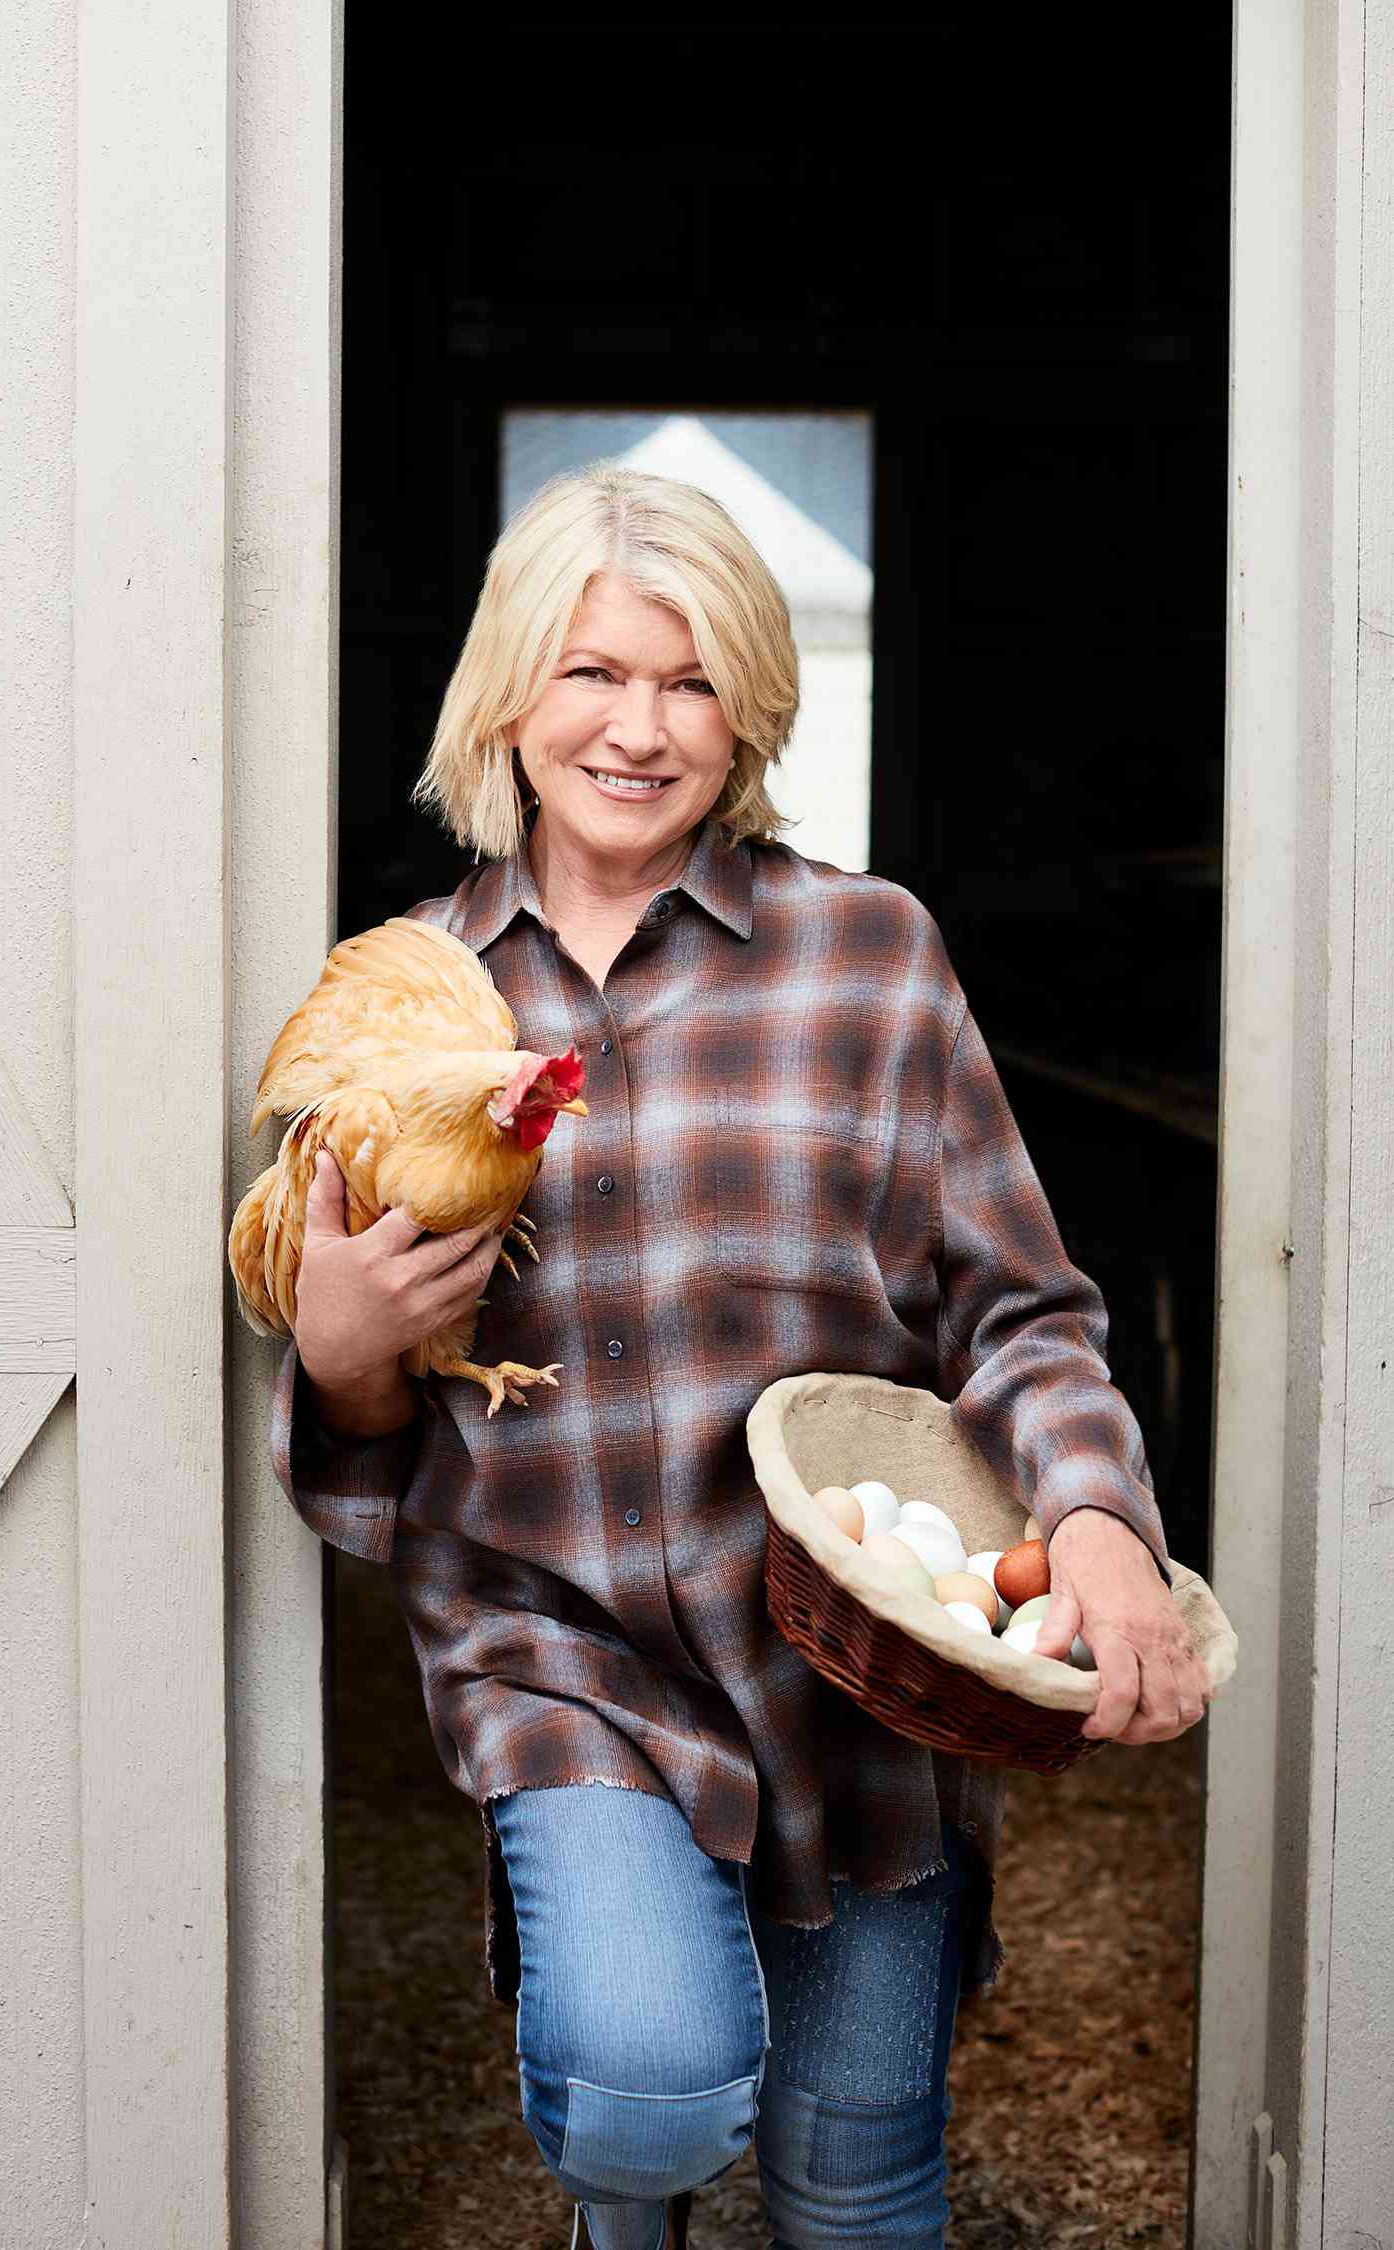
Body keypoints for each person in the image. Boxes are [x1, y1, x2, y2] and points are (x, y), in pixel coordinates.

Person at [270, 464, 1211, 2250]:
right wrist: (342, 1354)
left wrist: (1097, 1517)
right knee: (645, 2086)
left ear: (753, 709)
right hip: (558, 1640)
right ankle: (624, 2208)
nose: (639, 729)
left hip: (849, 1654)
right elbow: (378, 1416)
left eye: (692, 682)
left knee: (856, 2173)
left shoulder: (869, 957)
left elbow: (1021, 1305)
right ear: (509, 695)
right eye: (592, 672)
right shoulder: (406, 1000)